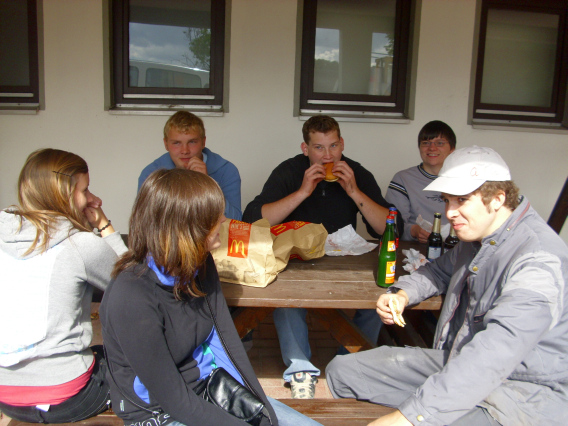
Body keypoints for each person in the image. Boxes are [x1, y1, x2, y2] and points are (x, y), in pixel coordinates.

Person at [326, 146, 568, 425]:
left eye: (462, 200)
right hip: (457, 363)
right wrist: (402, 293)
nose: (450, 213)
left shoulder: (538, 260)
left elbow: (495, 352)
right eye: (447, 200)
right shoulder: (478, 236)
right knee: (343, 371)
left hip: (521, 396)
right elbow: (438, 271)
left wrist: (408, 418)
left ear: (498, 199)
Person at [100, 168, 321, 426]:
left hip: (212, 388)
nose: (224, 221)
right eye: (214, 218)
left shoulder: (200, 263)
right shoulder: (131, 297)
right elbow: (175, 401)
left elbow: (223, 341)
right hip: (159, 411)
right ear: (185, 230)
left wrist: (262, 410)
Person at [243, 115, 399, 399]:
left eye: (333, 146)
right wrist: (303, 192)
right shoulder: (290, 171)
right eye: (318, 148)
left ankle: (352, 362)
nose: (328, 156)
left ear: (342, 144)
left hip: (344, 261)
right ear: (305, 149)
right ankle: (300, 369)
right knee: (283, 293)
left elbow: (386, 227)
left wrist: (353, 191)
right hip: (297, 261)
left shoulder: (355, 172)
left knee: (382, 290)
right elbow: (254, 220)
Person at [0, 149, 127, 424]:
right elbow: (132, 284)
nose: (95, 200)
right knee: (129, 356)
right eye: (85, 190)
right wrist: (104, 225)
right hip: (68, 399)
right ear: (64, 195)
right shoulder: (79, 245)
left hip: (6, 395)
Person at [138, 110, 242, 220]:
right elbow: (144, 222)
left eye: (192, 142)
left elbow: (235, 221)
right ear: (166, 144)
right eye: (176, 143)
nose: (185, 151)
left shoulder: (227, 170)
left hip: (212, 231)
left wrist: (207, 184)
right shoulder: (151, 173)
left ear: (203, 142)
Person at [385, 120, 456, 243]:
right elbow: (392, 224)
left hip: (456, 248)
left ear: (452, 149)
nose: (432, 148)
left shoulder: (465, 181)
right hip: (415, 248)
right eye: (426, 143)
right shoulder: (403, 179)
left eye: (440, 143)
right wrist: (413, 231)